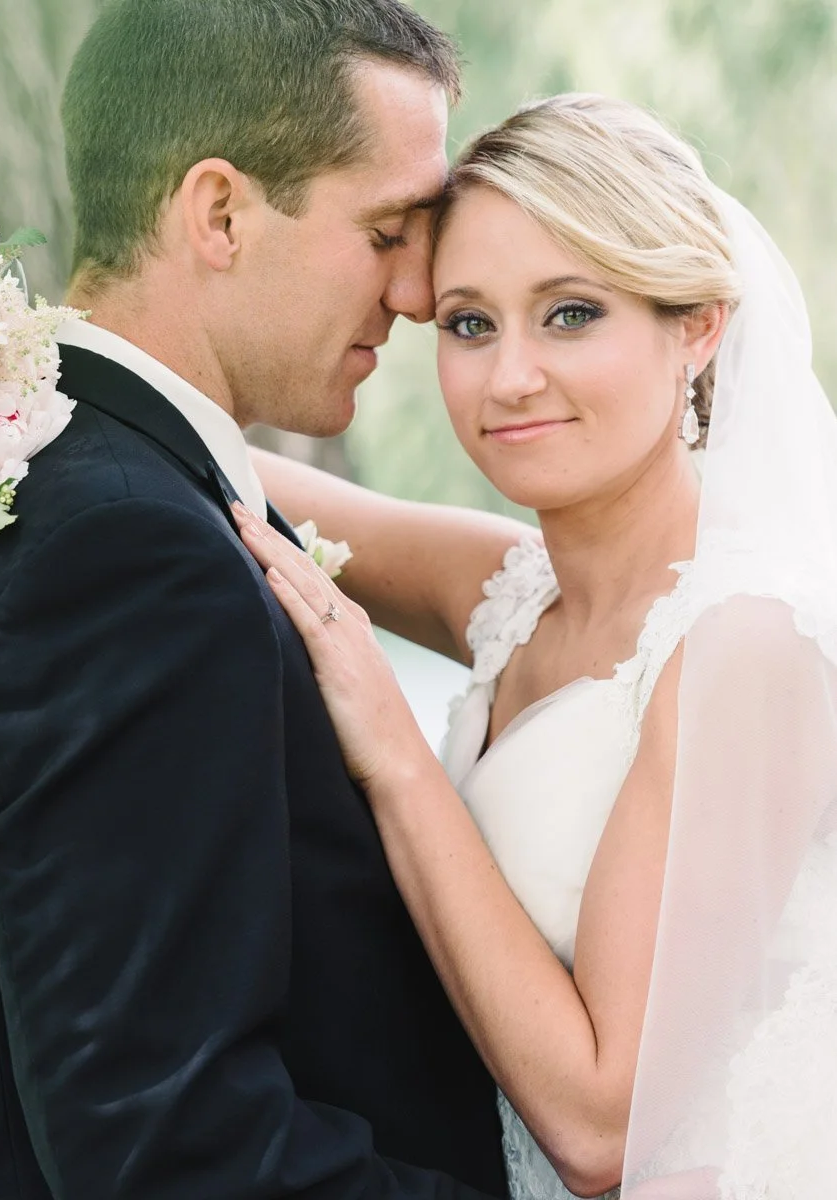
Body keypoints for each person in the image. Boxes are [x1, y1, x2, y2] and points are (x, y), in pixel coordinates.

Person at [0, 2, 508, 1196]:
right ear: (219, 212)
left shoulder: (77, 480)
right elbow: (172, 1151)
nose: (422, 292)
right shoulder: (125, 554)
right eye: (387, 229)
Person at [241, 93, 837, 1199]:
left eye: (570, 313)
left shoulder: (745, 647)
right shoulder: (509, 590)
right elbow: (228, 471)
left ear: (698, 325)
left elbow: (601, 1125)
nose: (510, 376)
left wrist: (397, 753)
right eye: (470, 324)